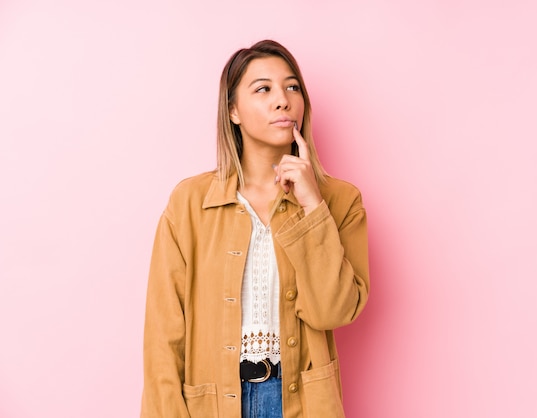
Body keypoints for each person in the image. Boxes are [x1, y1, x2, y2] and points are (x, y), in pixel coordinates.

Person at [141, 39, 369, 418]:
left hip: (303, 403)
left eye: (292, 87)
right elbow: (163, 335)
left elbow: (333, 311)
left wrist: (313, 206)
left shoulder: (341, 201)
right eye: (263, 89)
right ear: (233, 111)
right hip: (212, 404)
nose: (283, 100)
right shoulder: (190, 203)